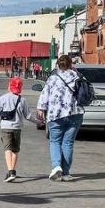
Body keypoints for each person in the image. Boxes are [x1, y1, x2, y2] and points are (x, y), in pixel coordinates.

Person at [35, 54, 84, 182]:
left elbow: (45, 94)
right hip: (75, 113)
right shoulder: (78, 76)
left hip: (56, 114)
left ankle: (57, 167)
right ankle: (66, 173)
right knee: (68, 143)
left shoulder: (53, 78)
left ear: (58, 65)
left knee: (55, 141)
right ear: (71, 64)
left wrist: (41, 108)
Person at [0, 76, 32, 182]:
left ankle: (11, 172)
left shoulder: (3, 98)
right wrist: (40, 121)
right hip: (17, 128)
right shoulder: (22, 100)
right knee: (15, 150)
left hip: (5, 127)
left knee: (7, 149)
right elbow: (28, 116)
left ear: (10, 86)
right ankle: (12, 170)